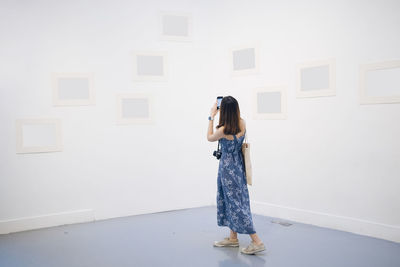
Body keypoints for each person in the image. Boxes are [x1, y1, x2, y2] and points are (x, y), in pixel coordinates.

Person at [207, 96, 266, 255]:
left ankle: (257, 241)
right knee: (234, 201)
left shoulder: (223, 130)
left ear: (224, 111)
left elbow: (209, 137)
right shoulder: (242, 123)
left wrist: (211, 116)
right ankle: (233, 238)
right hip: (239, 168)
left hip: (227, 170)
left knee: (235, 204)